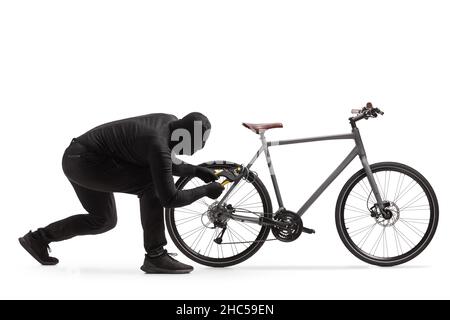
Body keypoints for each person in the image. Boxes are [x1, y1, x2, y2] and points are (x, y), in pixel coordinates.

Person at [19, 112, 224, 274]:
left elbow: (164, 161)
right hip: (86, 162)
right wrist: (206, 190)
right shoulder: (157, 143)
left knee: (104, 220)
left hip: (78, 157)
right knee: (150, 186)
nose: (197, 149)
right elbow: (169, 197)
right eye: (197, 144)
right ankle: (155, 256)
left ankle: (38, 239)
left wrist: (195, 170)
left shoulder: (169, 123)